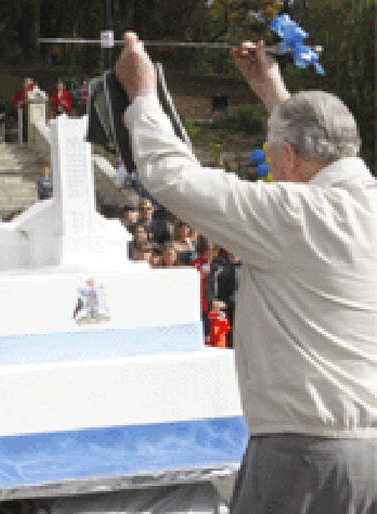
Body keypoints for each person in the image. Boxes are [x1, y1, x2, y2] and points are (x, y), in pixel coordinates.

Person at [116, 32, 377, 511]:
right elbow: (329, 152)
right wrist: (274, 93)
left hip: (305, 455)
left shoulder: (295, 213)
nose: (273, 166)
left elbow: (173, 178)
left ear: (292, 157)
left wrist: (143, 96)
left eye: (275, 153)